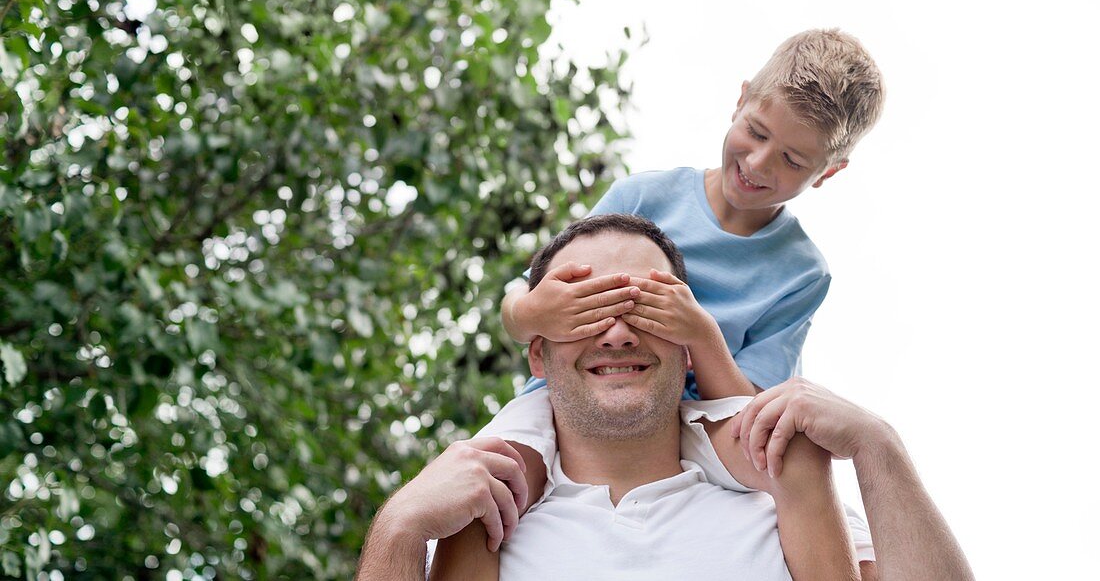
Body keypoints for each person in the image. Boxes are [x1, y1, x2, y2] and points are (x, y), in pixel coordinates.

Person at [435, 29, 887, 572]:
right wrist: (533, 313)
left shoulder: (801, 272)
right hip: (574, 396)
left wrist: (699, 334)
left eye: (792, 159)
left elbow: (750, 405)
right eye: (755, 132)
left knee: (813, 485)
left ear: (828, 172)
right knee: (486, 483)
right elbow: (521, 301)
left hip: (699, 416)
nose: (761, 163)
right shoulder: (643, 197)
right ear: (740, 99)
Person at [356, 219, 973, 580]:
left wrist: (878, 446)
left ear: (688, 346)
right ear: (538, 354)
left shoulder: (787, 502)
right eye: (587, 309)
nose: (618, 331)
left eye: (643, 309)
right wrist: (398, 530)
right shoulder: (479, 521)